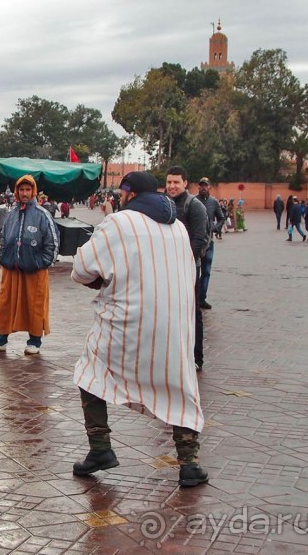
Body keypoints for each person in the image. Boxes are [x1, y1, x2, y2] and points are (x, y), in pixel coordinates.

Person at [70, 171, 208, 488]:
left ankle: (100, 448)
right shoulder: (178, 228)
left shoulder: (119, 223)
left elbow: (81, 269)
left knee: (89, 372)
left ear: (130, 194)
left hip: (126, 324)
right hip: (174, 328)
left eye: (122, 193)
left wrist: (101, 277)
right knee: (181, 387)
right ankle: (189, 463)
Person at [0, 175, 59, 355]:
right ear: (17, 191)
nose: (24, 193)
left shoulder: (42, 215)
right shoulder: (11, 214)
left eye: (28, 190)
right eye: (21, 190)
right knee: (5, 304)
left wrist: (42, 263)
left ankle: (34, 341)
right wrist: (6, 258)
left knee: (35, 305)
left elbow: (52, 243)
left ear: (33, 192)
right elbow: (5, 238)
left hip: (34, 271)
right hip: (12, 270)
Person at [165, 166, 209, 371]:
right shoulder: (164, 204)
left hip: (189, 268)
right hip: (167, 268)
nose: (172, 186)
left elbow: (200, 239)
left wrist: (185, 263)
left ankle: (195, 356)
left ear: (185, 183)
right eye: (169, 182)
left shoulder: (195, 206)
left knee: (192, 312)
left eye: (176, 182)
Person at [196, 177, 224, 309]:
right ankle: (194, 297)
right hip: (196, 241)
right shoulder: (194, 201)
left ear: (209, 187)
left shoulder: (214, 202)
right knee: (195, 270)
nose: (203, 188)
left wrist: (215, 227)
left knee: (206, 271)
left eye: (205, 185)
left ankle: (202, 298)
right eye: (201, 185)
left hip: (209, 241)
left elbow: (221, 218)